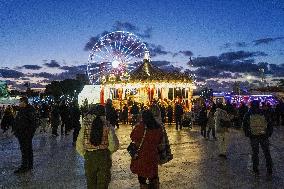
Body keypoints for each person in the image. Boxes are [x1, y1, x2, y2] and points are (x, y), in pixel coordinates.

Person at [76, 104, 119, 189]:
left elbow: (79, 143)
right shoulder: (107, 125)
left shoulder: (86, 124)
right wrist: (107, 152)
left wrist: (85, 153)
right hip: (104, 156)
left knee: (91, 183)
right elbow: (114, 144)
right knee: (103, 184)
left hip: (89, 157)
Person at [130, 110, 163, 189]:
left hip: (142, 155)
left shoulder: (140, 126)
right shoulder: (158, 127)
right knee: (153, 175)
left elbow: (132, 136)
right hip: (153, 155)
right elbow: (160, 140)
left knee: (142, 177)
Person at [243, 100, 273, 179]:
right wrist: (268, 133)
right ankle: (269, 168)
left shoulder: (248, 113)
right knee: (267, 152)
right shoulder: (264, 113)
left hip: (253, 136)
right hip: (264, 136)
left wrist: (248, 134)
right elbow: (270, 123)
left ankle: (255, 168)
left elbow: (244, 125)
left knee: (255, 153)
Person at [12, 97, 37, 173]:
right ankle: (29, 165)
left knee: (25, 150)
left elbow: (33, 124)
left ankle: (24, 167)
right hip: (22, 134)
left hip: (25, 134)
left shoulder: (29, 111)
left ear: (24, 102)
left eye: (20, 102)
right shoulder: (23, 109)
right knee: (27, 149)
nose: (19, 103)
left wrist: (29, 134)